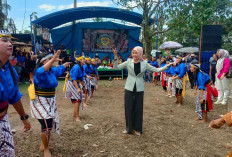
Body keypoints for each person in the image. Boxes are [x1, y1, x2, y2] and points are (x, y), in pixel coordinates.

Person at [112, 47, 172, 135]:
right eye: (133, 53)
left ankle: (137, 129)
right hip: (129, 87)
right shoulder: (128, 61)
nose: (134, 55)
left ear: (140, 53)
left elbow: (156, 69)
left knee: (138, 108)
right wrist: (115, 56)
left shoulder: (144, 63)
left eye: (136, 53)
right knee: (128, 108)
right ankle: (129, 128)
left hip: (139, 88)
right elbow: (116, 67)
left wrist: (167, 66)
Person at [30, 51, 71, 157]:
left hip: (50, 100)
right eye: (49, 59)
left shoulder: (52, 71)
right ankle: (46, 149)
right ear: (43, 61)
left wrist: (65, 64)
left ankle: (43, 144)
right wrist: (53, 59)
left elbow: (60, 69)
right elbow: (43, 69)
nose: (52, 61)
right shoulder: (39, 71)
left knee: (48, 123)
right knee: (46, 123)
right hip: (40, 101)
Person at [0, 29, 31, 156]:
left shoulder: (12, 72)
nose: (10, 44)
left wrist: (24, 118)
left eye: (11, 41)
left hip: (3, 119)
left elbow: (14, 97)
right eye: (4, 40)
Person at [65, 56, 87, 122]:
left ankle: (75, 114)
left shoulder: (81, 67)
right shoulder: (76, 67)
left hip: (76, 83)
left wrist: (84, 87)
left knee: (79, 99)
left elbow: (81, 79)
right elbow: (73, 79)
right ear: (80, 60)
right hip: (72, 84)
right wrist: (77, 88)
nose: (84, 60)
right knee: (77, 99)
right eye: (83, 59)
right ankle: (77, 116)